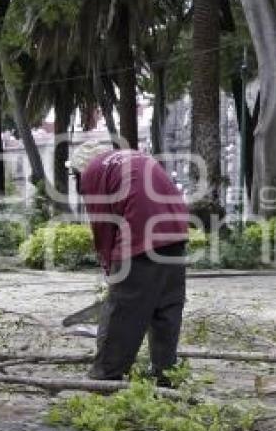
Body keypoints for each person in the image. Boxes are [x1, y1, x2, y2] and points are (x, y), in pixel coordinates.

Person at [70, 142, 188, 386]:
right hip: (175, 229)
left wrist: (109, 265)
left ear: (80, 168)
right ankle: (165, 373)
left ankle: (105, 375)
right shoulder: (133, 156)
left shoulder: (92, 170)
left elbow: (102, 223)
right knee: (166, 306)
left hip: (140, 232)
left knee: (123, 309)